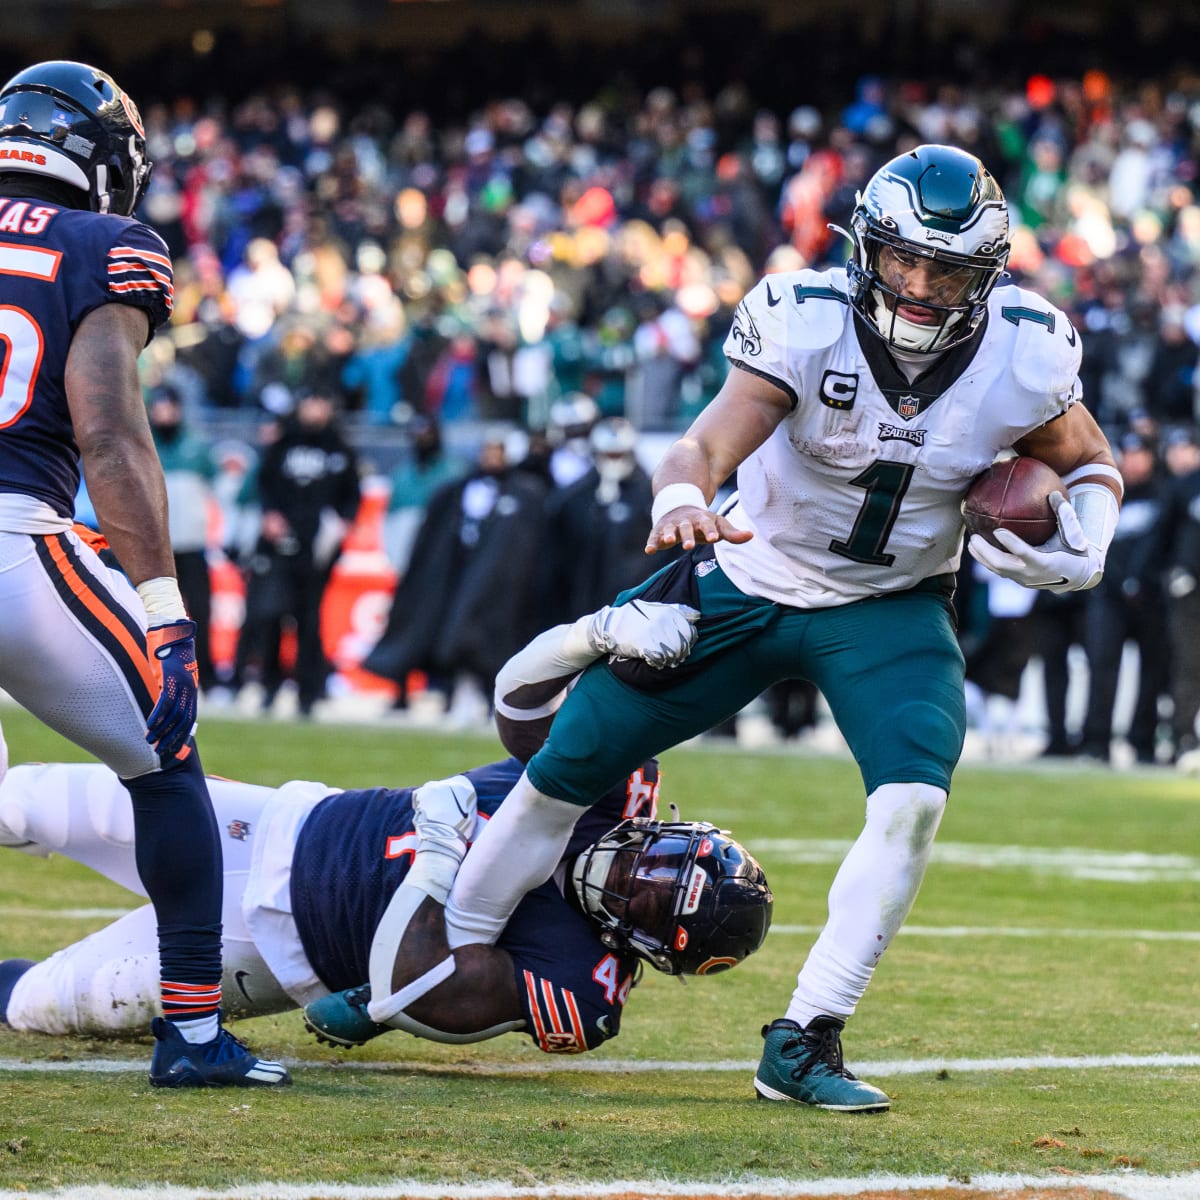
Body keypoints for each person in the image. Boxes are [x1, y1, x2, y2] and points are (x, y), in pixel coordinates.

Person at [438, 144, 1123, 1112]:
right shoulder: (804, 321)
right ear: (865, 249)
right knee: (569, 762)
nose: (920, 288)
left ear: (990, 276)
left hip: (888, 608)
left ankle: (805, 1039)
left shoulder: (1025, 350)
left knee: (915, 803)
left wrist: (1088, 540)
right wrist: (683, 494)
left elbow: (1092, 461)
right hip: (747, 576)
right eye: (902, 260)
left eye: (948, 270)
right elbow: (708, 440)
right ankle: (446, 950)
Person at [0, 602, 772, 1051]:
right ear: (673, 827)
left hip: (276, 951)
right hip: (279, 823)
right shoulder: (617, 783)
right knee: (17, 803)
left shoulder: (585, 988)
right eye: (658, 862)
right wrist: (593, 633)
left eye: (644, 903)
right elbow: (520, 709)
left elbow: (416, 991)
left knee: (40, 1004)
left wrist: (439, 857)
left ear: (639, 949)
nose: (629, 877)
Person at [0, 60, 287, 1087]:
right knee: (169, 770)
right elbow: (111, 440)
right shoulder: (104, 245)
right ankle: (195, 1037)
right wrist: (165, 611)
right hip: (14, 541)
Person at [251, 388, 361, 717]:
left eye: (321, 401)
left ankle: (308, 693)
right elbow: (264, 484)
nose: (315, 407)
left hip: (317, 548)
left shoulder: (340, 448)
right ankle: (269, 688)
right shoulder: (283, 443)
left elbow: (351, 496)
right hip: (279, 542)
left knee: (309, 622)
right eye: (310, 400)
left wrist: (341, 525)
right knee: (271, 616)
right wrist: (269, 515)